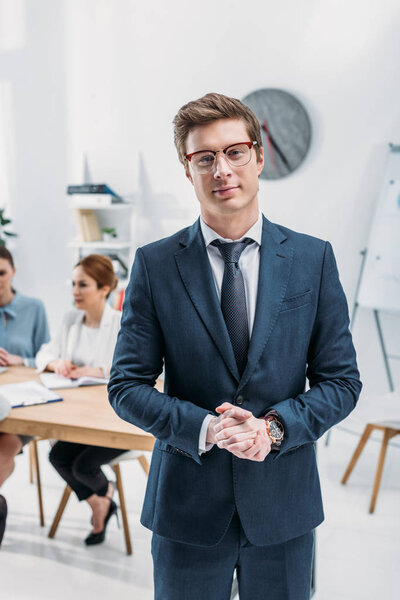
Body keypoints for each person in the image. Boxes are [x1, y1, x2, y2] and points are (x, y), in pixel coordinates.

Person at [108, 93, 362, 600]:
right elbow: (126, 386)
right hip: (187, 508)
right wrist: (204, 427)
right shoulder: (156, 265)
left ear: (259, 156)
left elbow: (342, 382)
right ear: (189, 170)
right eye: (205, 158)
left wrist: (272, 429)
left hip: (283, 507)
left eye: (235, 152)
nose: (221, 169)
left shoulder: (312, 259)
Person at [36, 254, 124, 545]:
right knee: (57, 456)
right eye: (73, 284)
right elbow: (44, 353)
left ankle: (103, 499)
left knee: (81, 467)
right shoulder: (70, 319)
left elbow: (146, 368)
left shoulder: (122, 323)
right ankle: (100, 502)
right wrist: (56, 363)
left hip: (115, 419)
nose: (75, 291)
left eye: (83, 285)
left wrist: (97, 370)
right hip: (79, 414)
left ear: (104, 289)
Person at [0, 246, 50, 545]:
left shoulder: (34, 308)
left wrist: (24, 361)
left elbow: (48, 358)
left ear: (13, 272)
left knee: (4, 447)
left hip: (24, 404)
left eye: (1, 272)